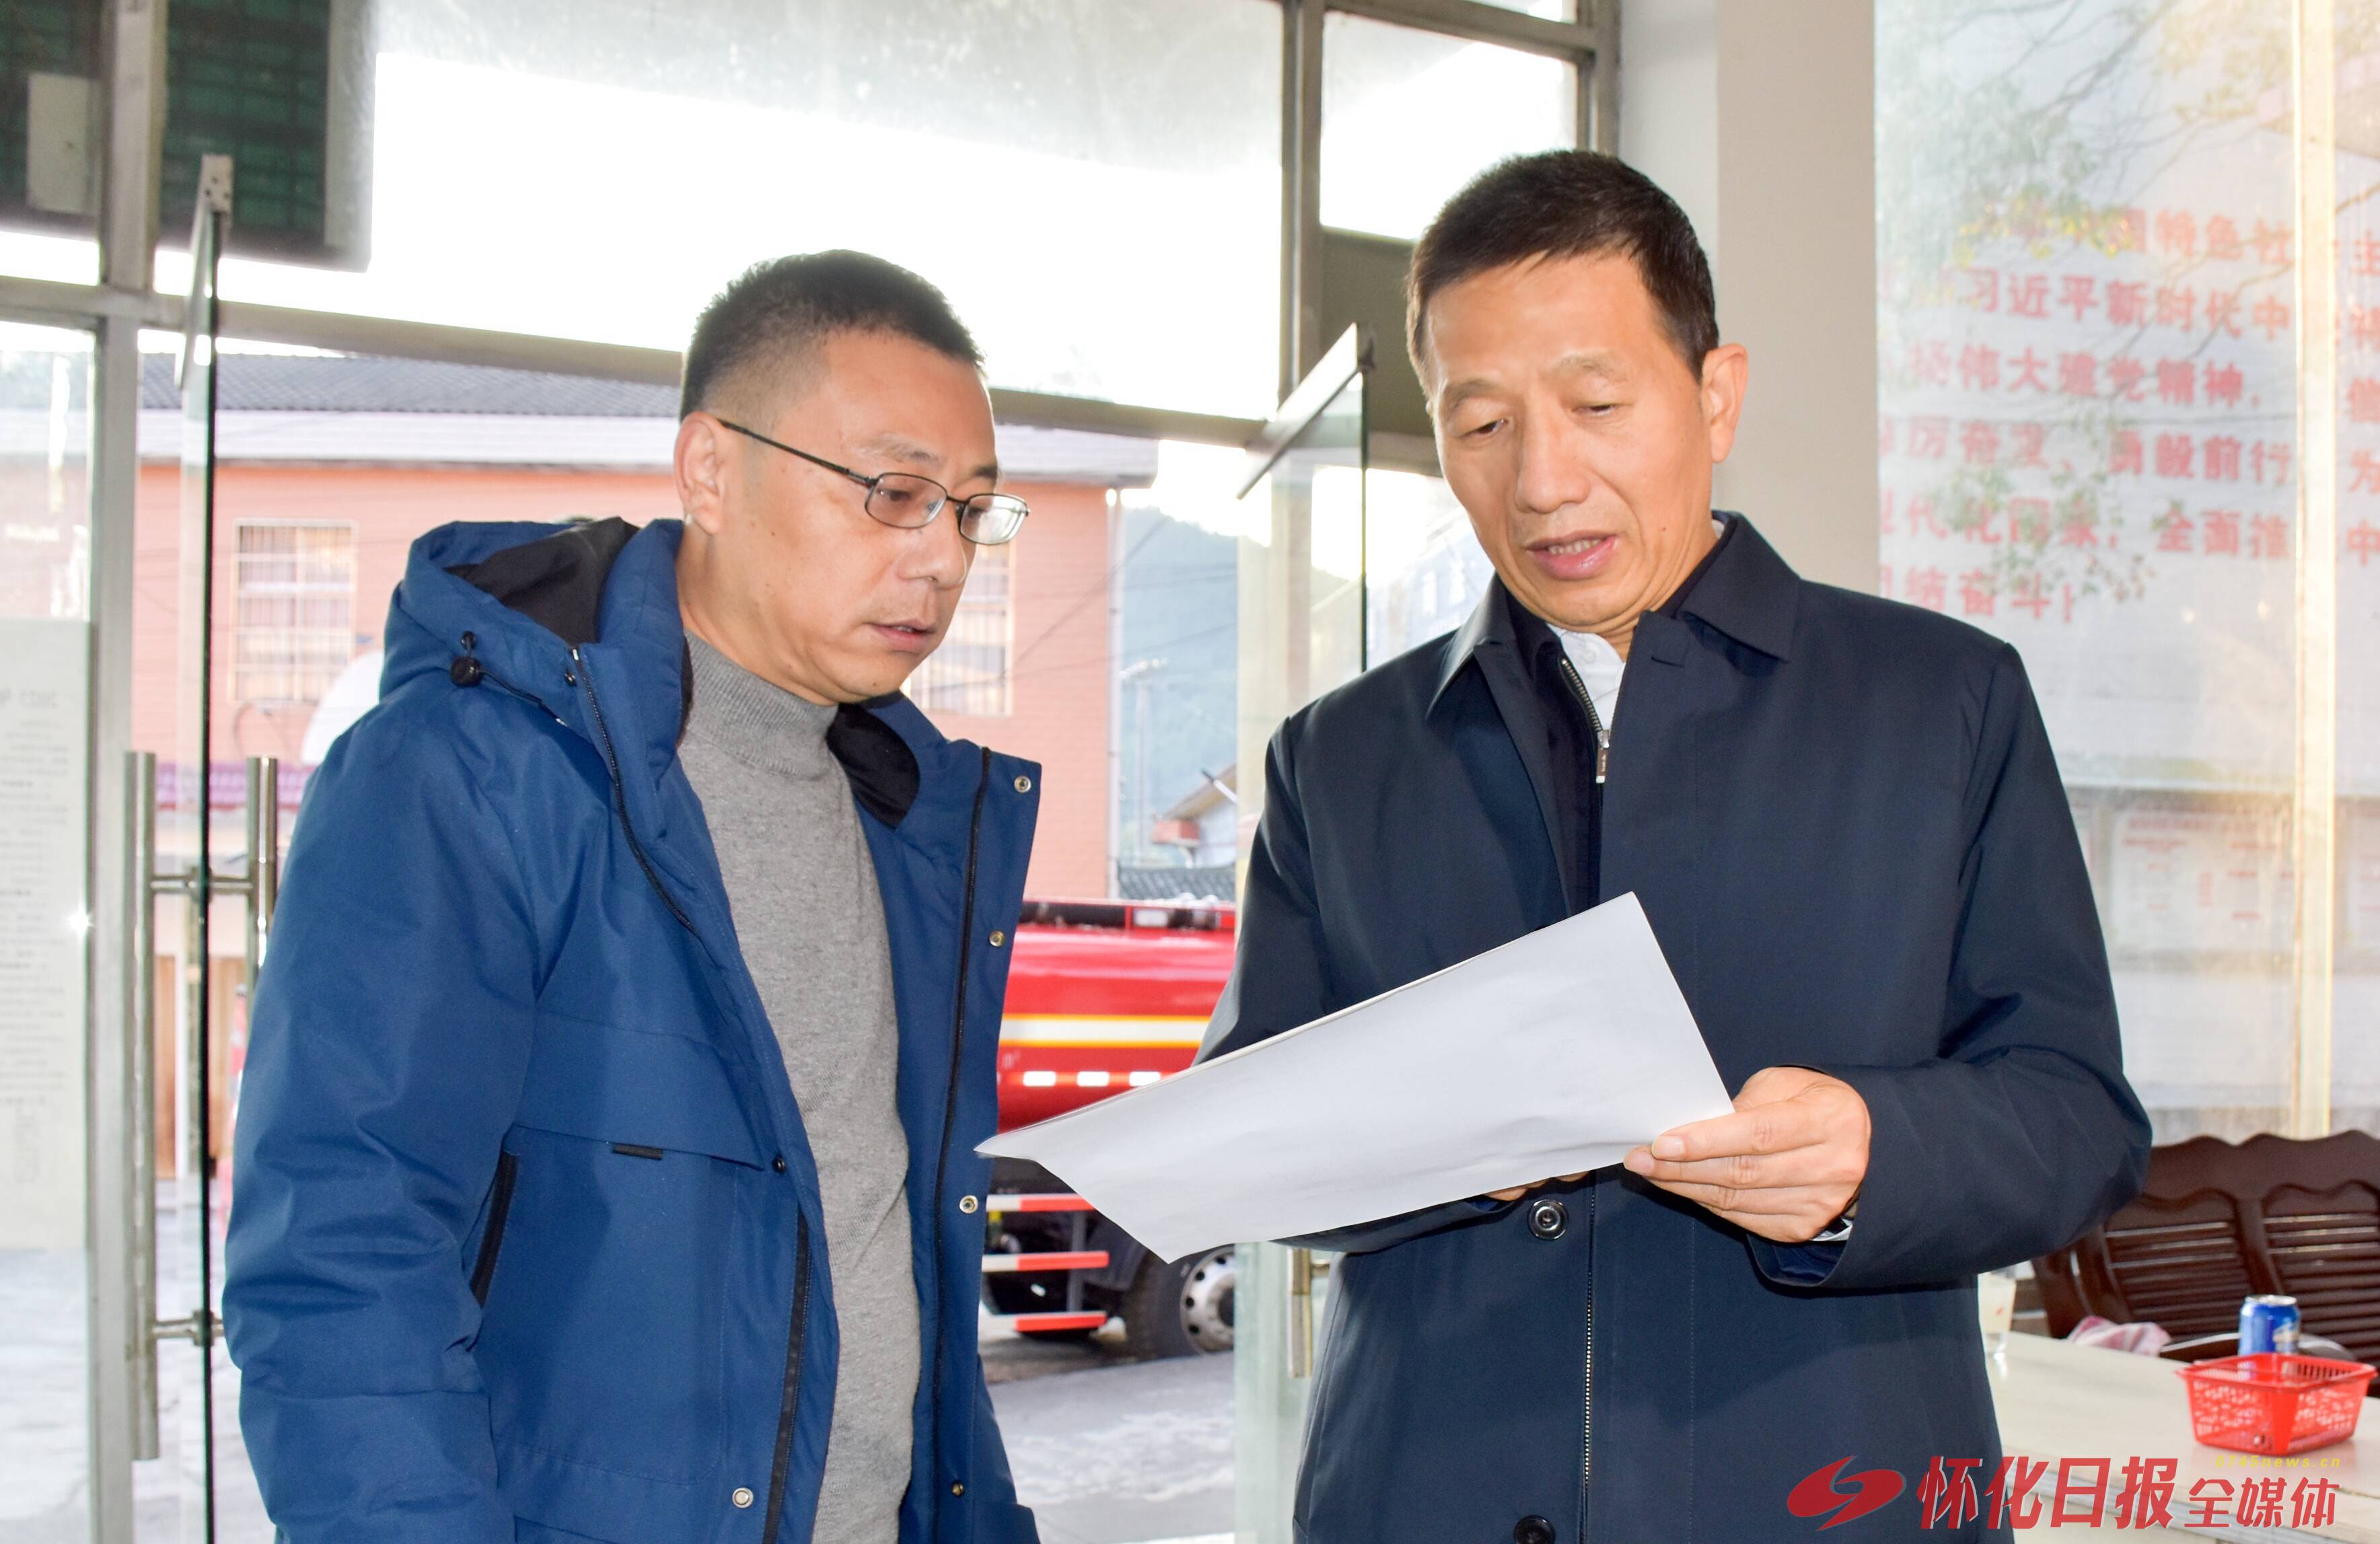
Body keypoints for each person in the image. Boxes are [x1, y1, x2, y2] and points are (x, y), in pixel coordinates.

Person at [1200, 151, 2150, 1541]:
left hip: (1827, 1493)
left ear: (1714, 396)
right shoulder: (1336, 757)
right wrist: (1422, 1130)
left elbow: (2075, 1117)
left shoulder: (1940, 701)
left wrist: (1877, 1151)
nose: (1541, 480)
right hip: (1424, 1492)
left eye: (1595, 405)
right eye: (1480, 422)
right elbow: (1247, 1130)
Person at [225, 250, 1044, 1544]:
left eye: (973, 510)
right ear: (711, 471)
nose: (942, 558)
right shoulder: (468, 775)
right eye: (895, 495)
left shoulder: (910, 818)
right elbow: (342, 1261)